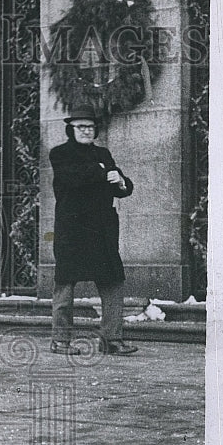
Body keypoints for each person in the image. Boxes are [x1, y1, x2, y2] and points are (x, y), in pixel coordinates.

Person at [49, 105, 138, 356]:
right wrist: (103, 173)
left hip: (101, 228)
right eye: (81, 127)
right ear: (71, 129)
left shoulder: (103, 153)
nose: (86, 131)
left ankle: (112, 339)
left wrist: (121, 182)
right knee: (65, 282)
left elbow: (123, 185)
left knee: (112, 280)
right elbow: (73, 178)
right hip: (72, 228)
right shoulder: (60, 154)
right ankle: (60, 340)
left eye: (90, 127)